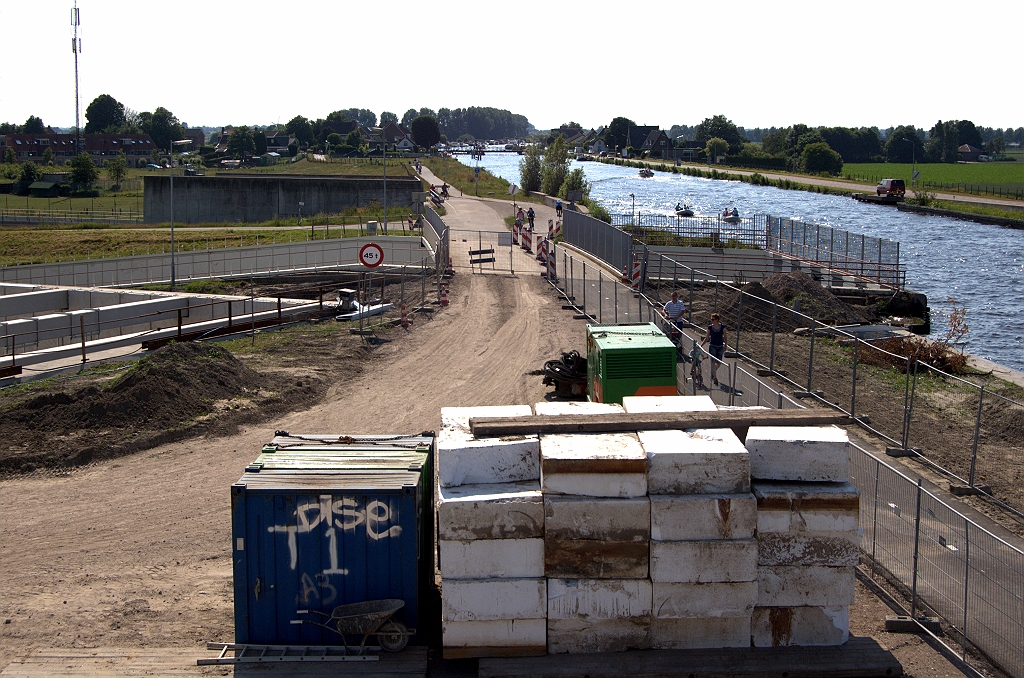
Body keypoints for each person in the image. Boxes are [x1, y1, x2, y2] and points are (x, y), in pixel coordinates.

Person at [701, 312, 728, 387]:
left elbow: (725, 337)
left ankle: (713, 372)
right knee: (712, 362)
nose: (711, 320)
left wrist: (725, 345)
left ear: (717, 320)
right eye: (711, 319)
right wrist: (701, 345)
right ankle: (715, 377)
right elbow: (707, 337)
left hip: (720, 346)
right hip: (712, 345)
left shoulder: (723, 327)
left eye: (713, 319)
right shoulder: (710, 327)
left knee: (719, 362)